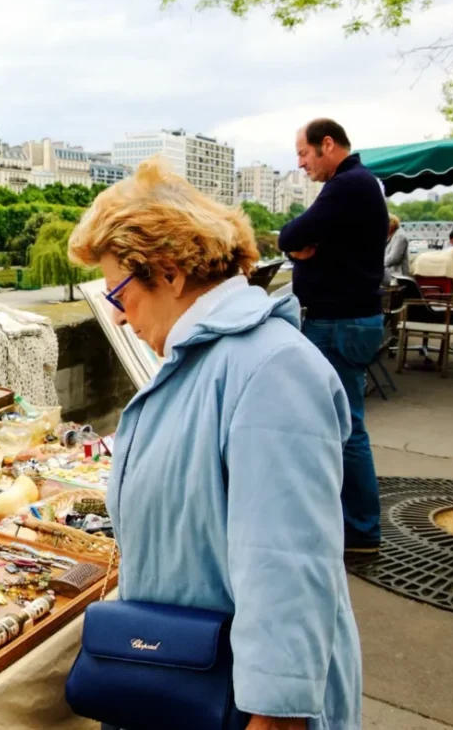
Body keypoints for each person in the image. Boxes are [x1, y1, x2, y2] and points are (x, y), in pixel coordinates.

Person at [69, 159, 361, 730]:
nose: (119, 318)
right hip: (193, 680)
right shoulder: (211, 359)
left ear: (170, 272)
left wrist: (274, 720)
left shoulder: (271, 368)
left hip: (236, 703)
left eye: (119, 294)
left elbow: (288, 567)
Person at [278, 118, 386, 555]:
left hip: (340, 323)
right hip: (350, 320)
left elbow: (291, 234)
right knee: (343, 423)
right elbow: (302, 239)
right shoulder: (361, 184)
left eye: (303, 154)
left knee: (345, 426)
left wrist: (299, 246)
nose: (302, 164)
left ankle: (361, 530)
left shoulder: (348, 184)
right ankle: (354, 523)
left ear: (327, 145)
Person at [384, 214, 409, 283]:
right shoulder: (390, 235)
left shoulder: (400, 236)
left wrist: (377, 265)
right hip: (391, 277)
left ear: (391, 224)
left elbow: (394, 258)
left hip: (399, 278)